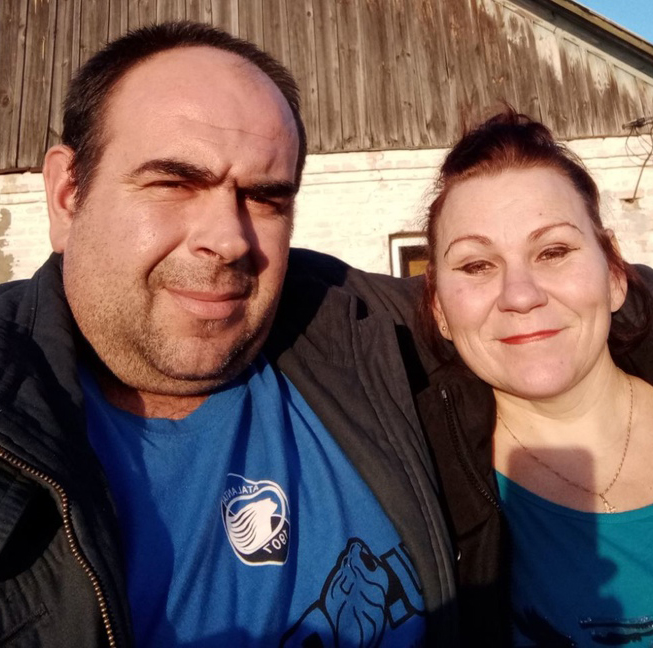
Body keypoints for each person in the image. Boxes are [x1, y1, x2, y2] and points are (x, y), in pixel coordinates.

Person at [0, 21, 456, 647]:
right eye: (173, 183)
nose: (229, 239)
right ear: (66, 194)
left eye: (265, 199)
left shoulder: (364, 332)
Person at [420, 109, 653, 645]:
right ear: (439, 310)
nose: (520, 295)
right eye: (477, 265)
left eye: (553, 252)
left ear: (614, 276)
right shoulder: (416, 488)